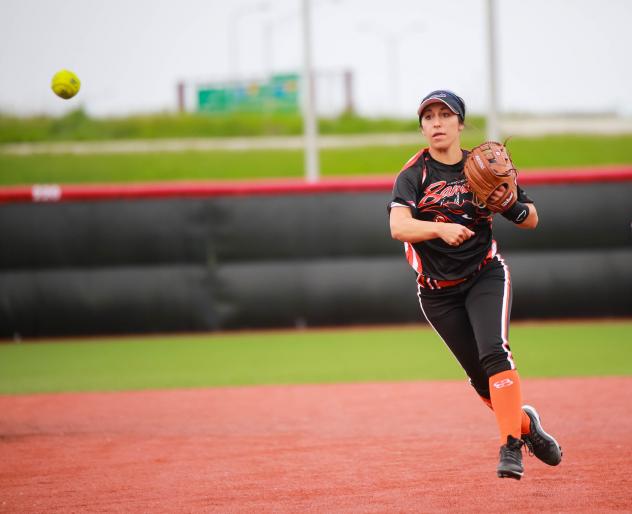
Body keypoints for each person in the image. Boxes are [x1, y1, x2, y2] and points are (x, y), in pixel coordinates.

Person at [387, 89, 562, 480]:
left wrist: (510, 205)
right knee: (481, 381)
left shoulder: (481, 165)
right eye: (428, 117)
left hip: (485, 274)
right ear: (422, 127)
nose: (436, 123)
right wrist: (440, 229)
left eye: (445, 116)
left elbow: (531, 218)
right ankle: (526, 426)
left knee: (494, 353)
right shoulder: (413, 175)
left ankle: (510, 447)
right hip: (436, 292)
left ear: (460, 124)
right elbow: (398, 227)